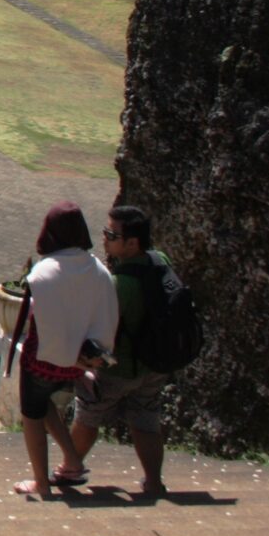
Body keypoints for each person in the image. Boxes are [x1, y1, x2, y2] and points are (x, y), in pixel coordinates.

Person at [10, 202, 118, 500]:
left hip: (43, 359)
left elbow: (37, 318)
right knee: (45, 405)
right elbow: (107, 315)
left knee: (32, 413)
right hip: (77, 361)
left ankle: (41, 484)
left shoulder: (43, 272)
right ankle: (72, 460)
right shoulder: (98, 271)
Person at [69, 205, 172, 496]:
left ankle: (69, 468)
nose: (104, 239)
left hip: (121, 369)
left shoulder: (118, 285)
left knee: (89, 413)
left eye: (111, 235)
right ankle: (153, 481)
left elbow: (102, 331)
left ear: (132, 243)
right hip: (155, 365)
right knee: (147, 420)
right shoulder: (160, 260)